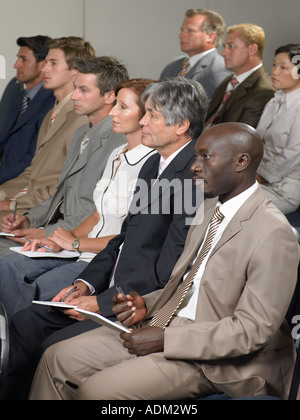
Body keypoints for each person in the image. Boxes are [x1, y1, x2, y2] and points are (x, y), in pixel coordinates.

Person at [29, 122, 299, 401]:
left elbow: (252, 330)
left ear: (241, 162)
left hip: (216, 358)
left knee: (96, 390)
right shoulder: (208, 209)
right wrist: (145, 303)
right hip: (164, 322)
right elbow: (186, 284)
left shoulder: (273, 232)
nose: (194, 166)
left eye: (206, 156)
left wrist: (168, 340)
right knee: (56, 358)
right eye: (196, 156)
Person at [6, 77, 208, 400]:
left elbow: (168, 269)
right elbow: (123, 238)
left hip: (134, 306)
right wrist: (85, 285)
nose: (143, 120)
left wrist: (98, 304)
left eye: (152, 115)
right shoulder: (154, 163)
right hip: (107, 290)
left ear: (181, 125)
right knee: (24, 322)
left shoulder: (189, 178)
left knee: (49, 348)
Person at [0, 78, 156, 320]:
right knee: (8, 267)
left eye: (123, 107)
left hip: (102, 259)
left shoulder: (152, 164)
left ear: (147, 115)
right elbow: (96, 215)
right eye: (115, 105)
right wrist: (61, 240)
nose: (113, 112)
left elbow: (130, 238)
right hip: (80, 249)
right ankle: (14, 339)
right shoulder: (117, 153)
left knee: (35, 289)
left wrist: (73, 244)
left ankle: (20, 340)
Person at [0, 57, 128, 260]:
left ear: (110, 96)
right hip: (57, 231)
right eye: (75, 88)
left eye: (84, 90)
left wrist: (48, 233)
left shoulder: (119, 141)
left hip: (79, 244)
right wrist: (28, 219)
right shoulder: (81, 133)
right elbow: (62, 192)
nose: (74, 96)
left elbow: (97, 212)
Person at [0, 37, 96, 220]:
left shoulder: (81, 119)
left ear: (75, 70)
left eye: (53, 63)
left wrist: (13, 204)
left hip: (44, 214)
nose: (44, 69)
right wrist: (3, 194)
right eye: (46, 63)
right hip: (29, 204)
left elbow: (65, 185)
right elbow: (33, 172)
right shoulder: (52, 113)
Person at [0, 36, 55, 183]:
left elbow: (32, 160)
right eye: (18, 59)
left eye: (24, 60)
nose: (16, 65)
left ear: (43, 64)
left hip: (19, 182)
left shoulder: (52, 103)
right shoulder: (20, 97)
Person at [256, 44, 300, 215]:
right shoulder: (274, 101)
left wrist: (260, 177)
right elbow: (258, 141)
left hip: (285, 188)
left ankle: (289, 236)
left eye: (283, 67)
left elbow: (293, 154)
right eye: (274, 65)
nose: (274, 71)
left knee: (232, 207)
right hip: (257, 179)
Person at [205, 24, 274, 129]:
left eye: (231, 46)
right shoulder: (229, 81)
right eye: (224, 47)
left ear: (252, 50)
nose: (224, 53)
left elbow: (241, 140)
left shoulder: (264, 91)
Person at [160, 9, 230, 100]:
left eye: (190, 31)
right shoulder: (173, 65)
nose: (181, 35)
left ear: (210, 37)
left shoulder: (220, 69)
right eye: (182, 30)